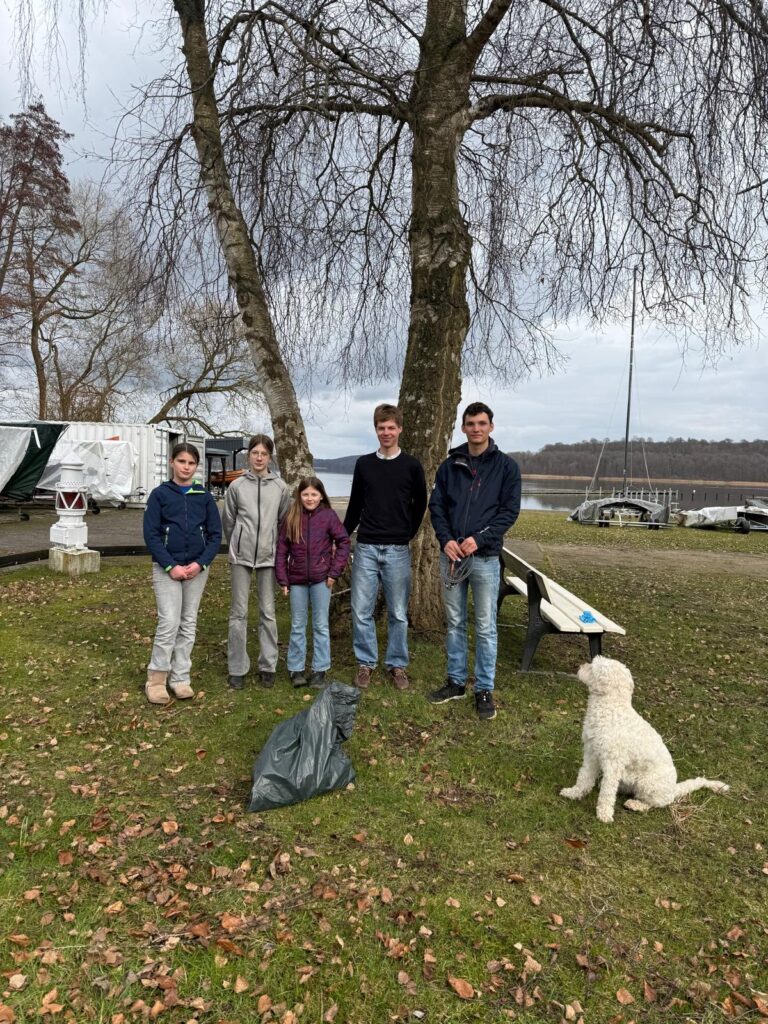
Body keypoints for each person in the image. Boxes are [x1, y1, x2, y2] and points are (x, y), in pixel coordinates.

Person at [428, 402, 521, 720]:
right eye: (471, 423)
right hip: (452, 557)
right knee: (455, 622)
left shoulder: (507, 467)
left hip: (484, 559)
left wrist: (479, 539)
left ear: (491, 427)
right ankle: (455, 682)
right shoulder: (449, 466)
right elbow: (437, 507)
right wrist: (446, 540)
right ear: (463, 428)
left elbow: (509, 512)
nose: (476, 428)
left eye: (482, 423)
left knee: (485, 626)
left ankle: (483, 689)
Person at [343, 403, 427, 690]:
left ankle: (397, 664)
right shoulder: (364, 464)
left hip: (397, 549)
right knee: (361, 610)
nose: (386, 432)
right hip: (366, 547)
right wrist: (342, 536)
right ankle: (365, 663)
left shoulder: (412, 466)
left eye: (391, 427)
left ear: (400, 429)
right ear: (376, 430)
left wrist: (406, 534)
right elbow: (355, 505)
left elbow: (420, 504)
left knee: (398, 613)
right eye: (382, 427)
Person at [142, 442, 222, 705]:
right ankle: (156, 679)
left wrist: (200, 564)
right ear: (172, 463)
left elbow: (215, 535)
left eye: (191, 463)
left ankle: (180, 678)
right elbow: (151, 535)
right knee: (169, 622)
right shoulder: (159, 495)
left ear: (196, 466)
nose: (186, 467)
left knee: (188, 623)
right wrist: (170, 566)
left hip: (196, 570)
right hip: (167, 569)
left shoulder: (204, 497)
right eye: (182, 461)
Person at [222, 434, 291, 689]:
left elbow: (283, 523)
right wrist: (238, 543)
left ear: (270, 457)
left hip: (268, 558)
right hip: (241, 557)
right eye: (255, 453)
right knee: (238, 612)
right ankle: (237, 667)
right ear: (248, 455)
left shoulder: (281, 488)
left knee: (268, 612)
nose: (259, 458)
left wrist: (276, 550)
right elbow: (229, 521)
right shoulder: (237, 486)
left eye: (264, 454)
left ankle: (268, 665)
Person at [275, 477, 351, 688]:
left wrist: (334, 572)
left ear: (321, 496)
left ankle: (320, 669)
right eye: (306, 494)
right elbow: (281, 551)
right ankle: (296, 668)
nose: (310, 498)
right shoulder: (292, 516)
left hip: (322, 580)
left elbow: (344, 542)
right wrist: (282, 578)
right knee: (298, 625)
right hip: (297, 580)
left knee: (320, 625)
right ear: (299, 496)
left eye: (314, 494)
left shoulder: (328, 516)